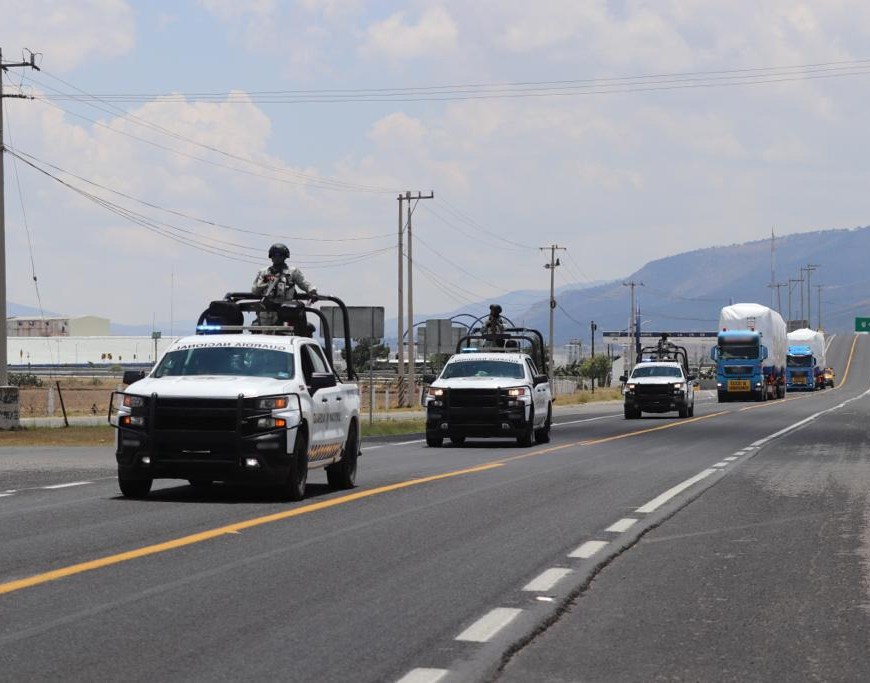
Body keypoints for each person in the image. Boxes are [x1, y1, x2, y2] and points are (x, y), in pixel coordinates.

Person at [252, 243, 317, 329]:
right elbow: (255, 290)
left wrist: (312, 291)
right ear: (270, 256)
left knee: (285, 334)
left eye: (279, 255)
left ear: (285, 256)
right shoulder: (264, 272)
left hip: (286, 309)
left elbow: (304, 283)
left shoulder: (292, 271)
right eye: (274, 255)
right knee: (265, 335)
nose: (276, 257)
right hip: (267, 310)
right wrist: (268, 280)